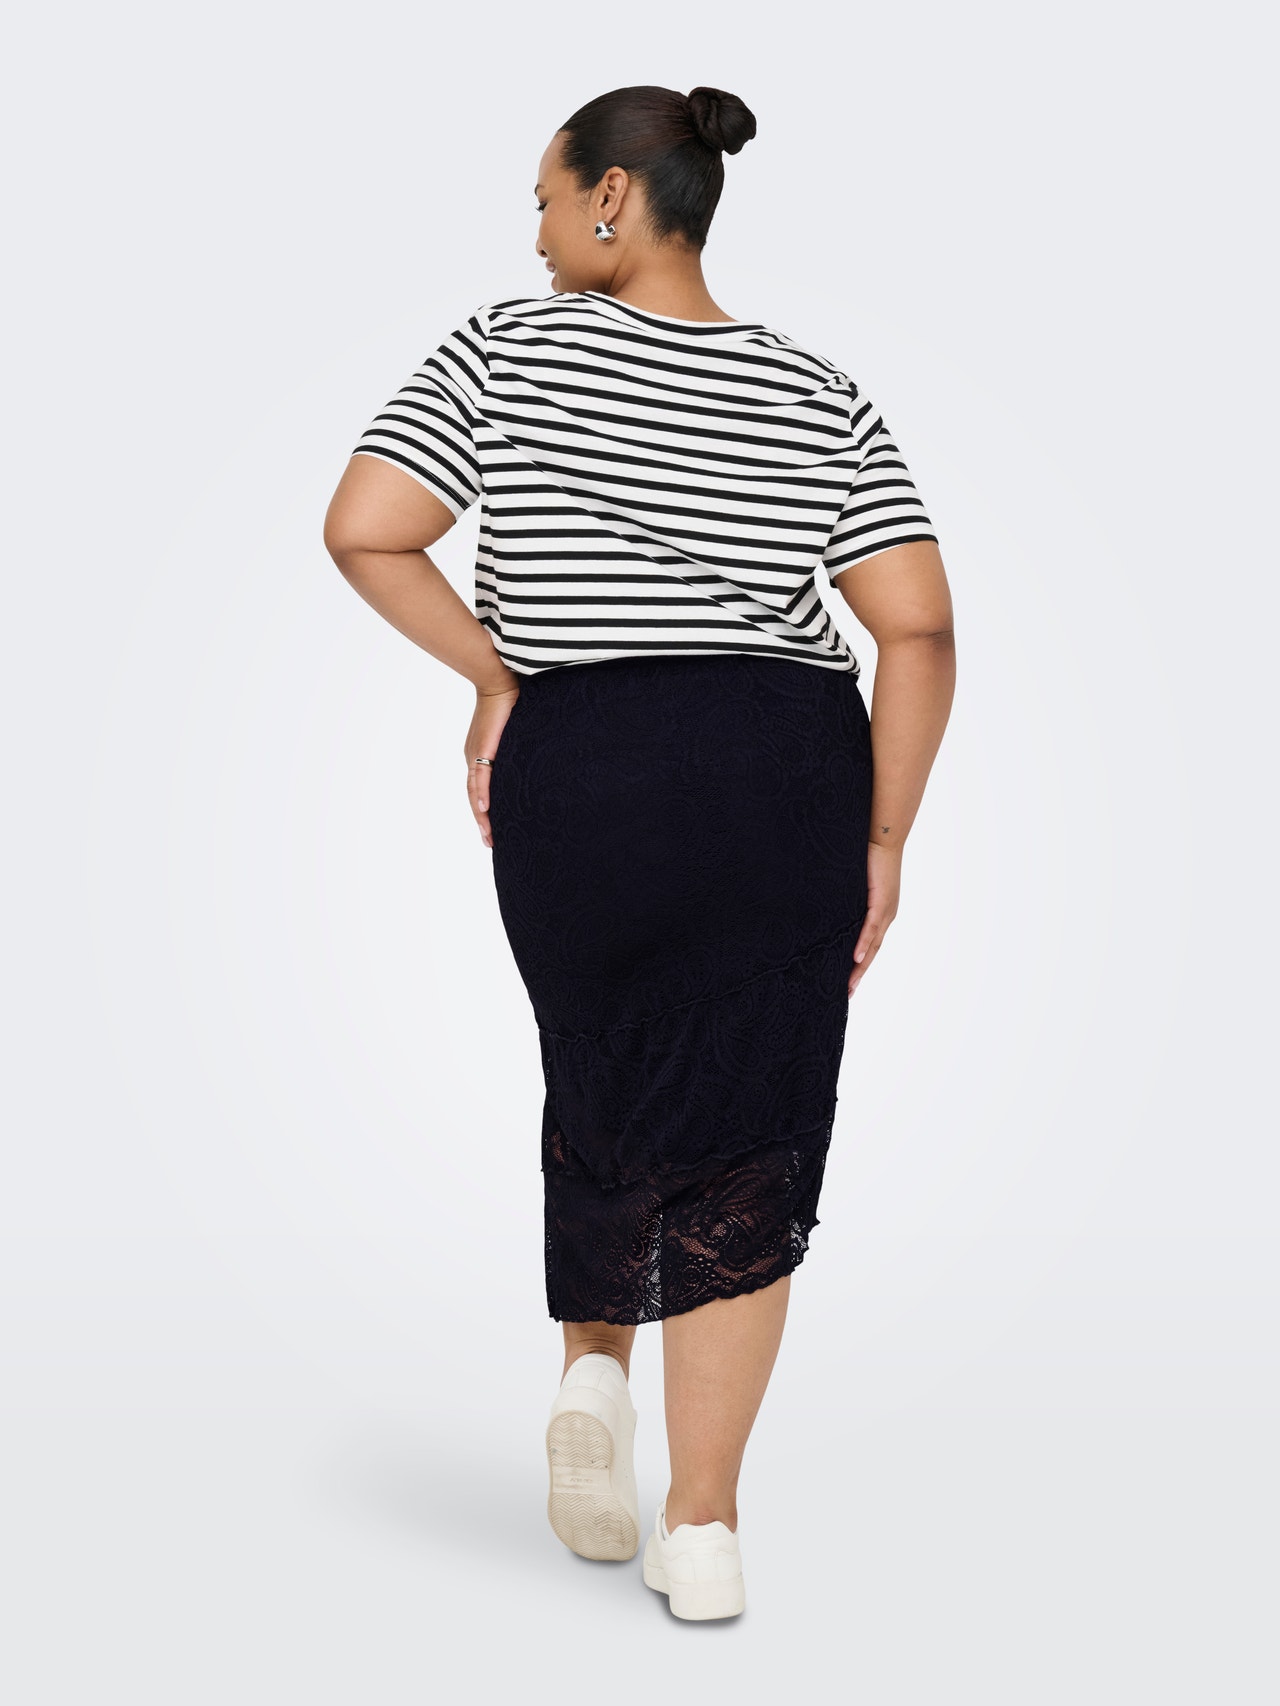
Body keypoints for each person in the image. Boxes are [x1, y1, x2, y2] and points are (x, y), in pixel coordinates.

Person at [323, 83, 956, 1622]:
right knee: (750, 1124)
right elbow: (919, 627)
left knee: (603, 1065)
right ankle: (704, 1526)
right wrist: (884, 830)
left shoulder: (504, 346)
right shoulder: (820, 389)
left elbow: (365, 526)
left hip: (583, 760)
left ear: (612, 195)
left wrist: (498, 678)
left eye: (546, 201)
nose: (538, 236)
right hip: (782, 765)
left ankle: (594, 1371)